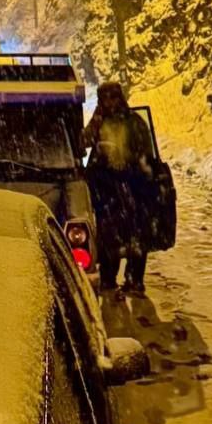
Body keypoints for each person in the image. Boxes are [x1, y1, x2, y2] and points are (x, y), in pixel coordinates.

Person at [82, 81, 155, 295]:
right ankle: (108, 279)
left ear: (120, 98)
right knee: (107, 235)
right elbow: (83, 142)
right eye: (104, 99)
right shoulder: (99, 122)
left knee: (136, 235)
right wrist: (95, 125)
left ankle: (134, 281)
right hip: (106, 188)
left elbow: (145, 154)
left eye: (112, 98)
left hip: (132, 186)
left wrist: (132, 167)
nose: (109, 103)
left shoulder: (134, 122)